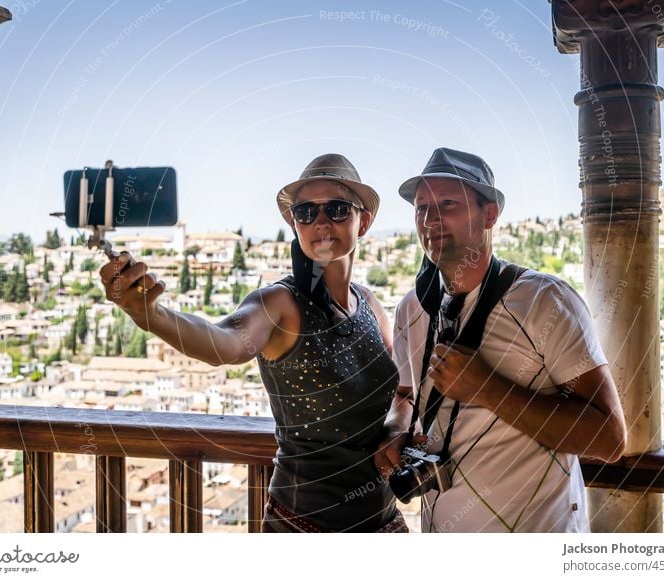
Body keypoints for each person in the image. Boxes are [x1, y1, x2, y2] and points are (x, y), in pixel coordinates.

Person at [100, 153, 405, 532]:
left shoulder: (370, 306)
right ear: (294, 224)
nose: (321, 221)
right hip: (303, 528)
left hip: (384, 522)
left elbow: (402, 391)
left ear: (364, 222)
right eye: (306, 212)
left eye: (338, 209)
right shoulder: (280, 304)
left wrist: (397, 429)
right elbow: (224, 343)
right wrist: (150, 315)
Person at [376, 148, 627, 532]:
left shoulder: (545, 301)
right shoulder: (412, 308)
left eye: (447, 204)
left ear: (490, 214)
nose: (430, 220)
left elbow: (609, 437)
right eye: (421, 208)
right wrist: (395, 429)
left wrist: (490, 389)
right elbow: (406, 396)